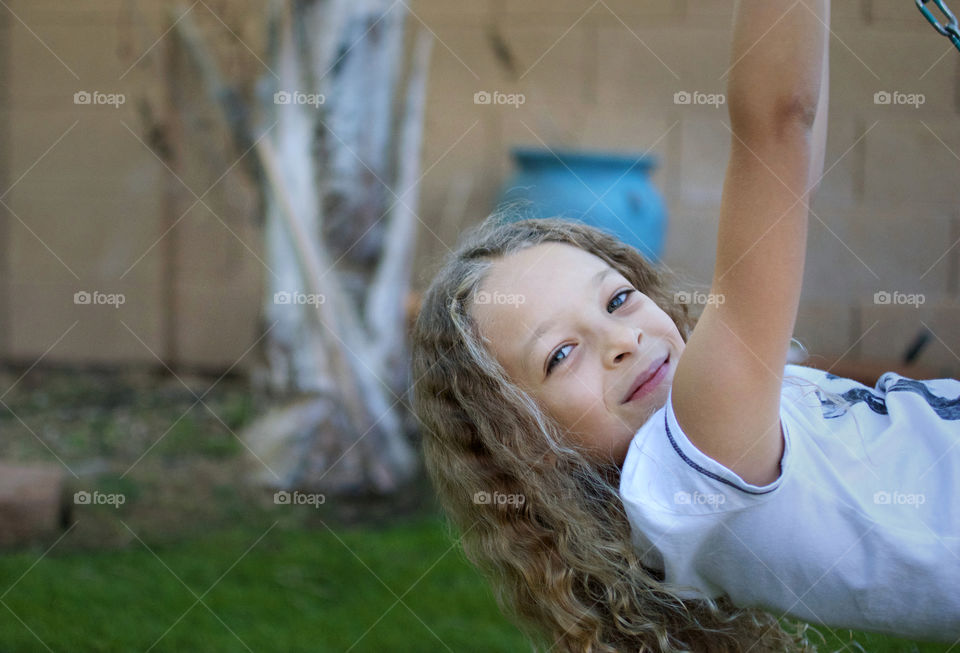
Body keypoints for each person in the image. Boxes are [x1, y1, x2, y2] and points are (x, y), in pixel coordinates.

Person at [411, 0, 960, 650]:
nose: (621, 341)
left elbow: (796, 155)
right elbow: (778, 129)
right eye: (561, 354)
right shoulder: (696, 460)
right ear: (520, 444)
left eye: (616, 301)